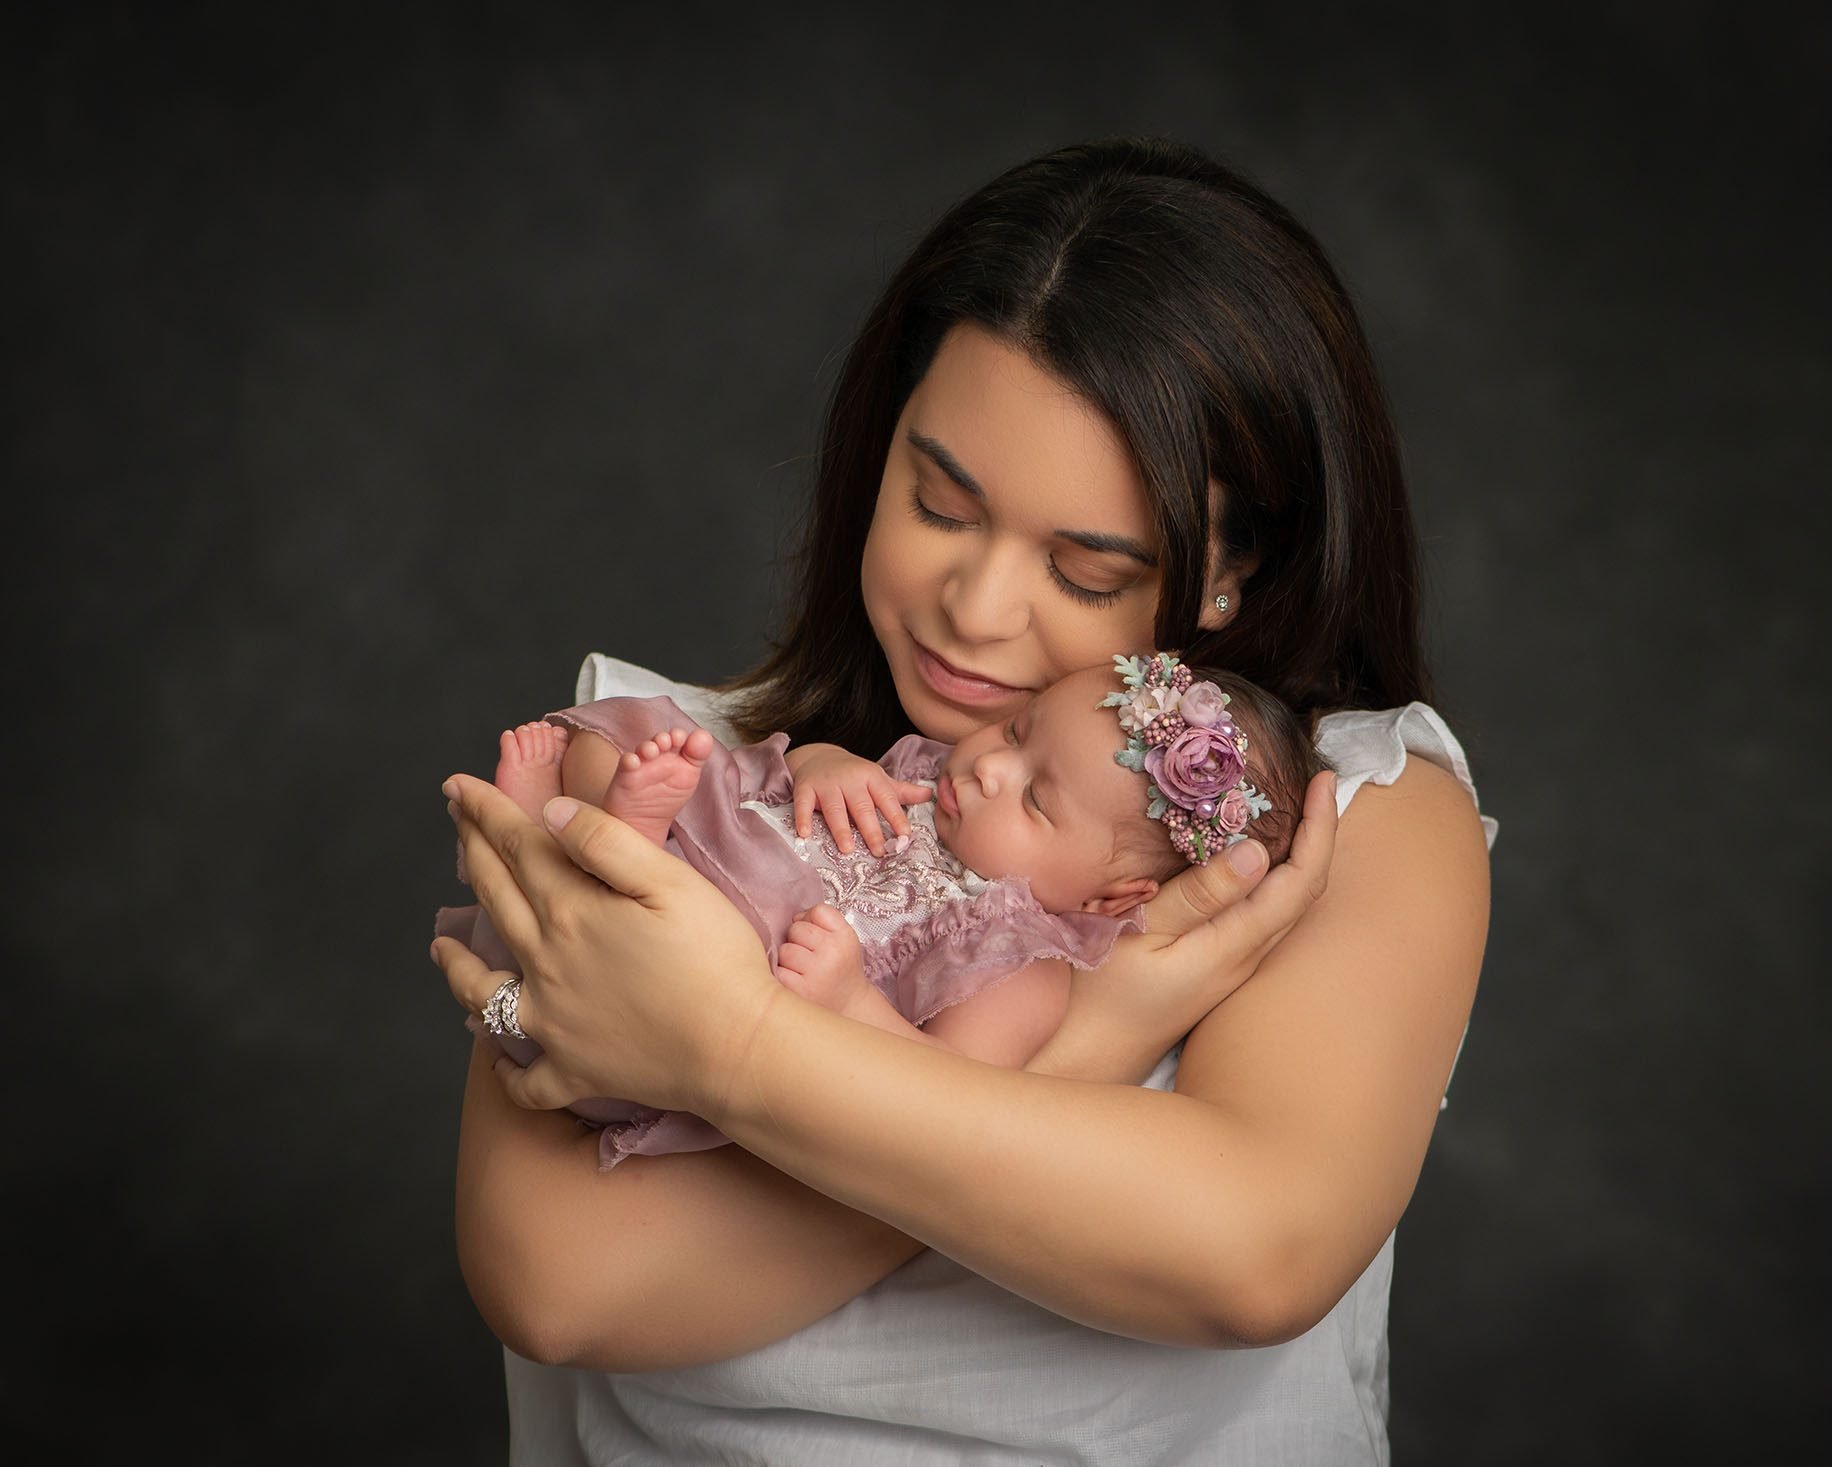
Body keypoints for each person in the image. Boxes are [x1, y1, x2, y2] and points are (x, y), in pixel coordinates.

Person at [432, 136, 1497, 1464]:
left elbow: (1253, 1252)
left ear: (1227, 577)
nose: (977, 610)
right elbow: (563, 1284)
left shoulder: (1307, 825)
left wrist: (726, 1045)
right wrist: (1085, 1049)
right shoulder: (696, 780)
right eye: (942, 502)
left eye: (1088, 567)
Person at [445, 654, 1321, 1166]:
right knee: (657, 741)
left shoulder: (1021, 964)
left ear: (1111, 897)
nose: (987, 769)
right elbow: (788, 780)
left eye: (1037, 801)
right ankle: (569, 835)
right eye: (1018, 733)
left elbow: (947, 1094)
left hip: (691, 994)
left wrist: (853, 1004)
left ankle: (574, 840)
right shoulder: (930, 775)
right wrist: (826, 763)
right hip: (708, 856)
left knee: (563, 995)